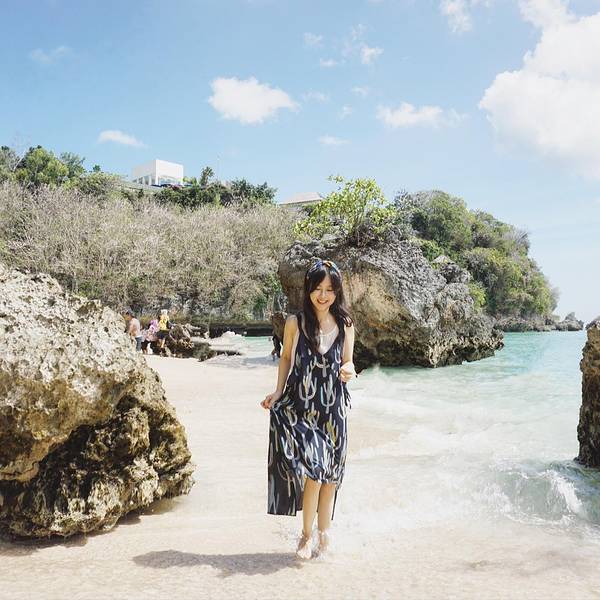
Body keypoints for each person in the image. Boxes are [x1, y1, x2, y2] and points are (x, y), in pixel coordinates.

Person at [260, 258, 356, 559]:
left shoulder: (346, 324)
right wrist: (278, 391)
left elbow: (349, 361)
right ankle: (305, 536)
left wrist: (349, 370)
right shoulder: (296, 323)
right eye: (318, 289)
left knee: (330, 478)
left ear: (337, 291)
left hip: (334, 412)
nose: (323, 295)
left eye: (329, 289)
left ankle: (324, 539)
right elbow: (286, 358)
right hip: (302, 408)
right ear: (308, 289)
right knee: (314, 472)